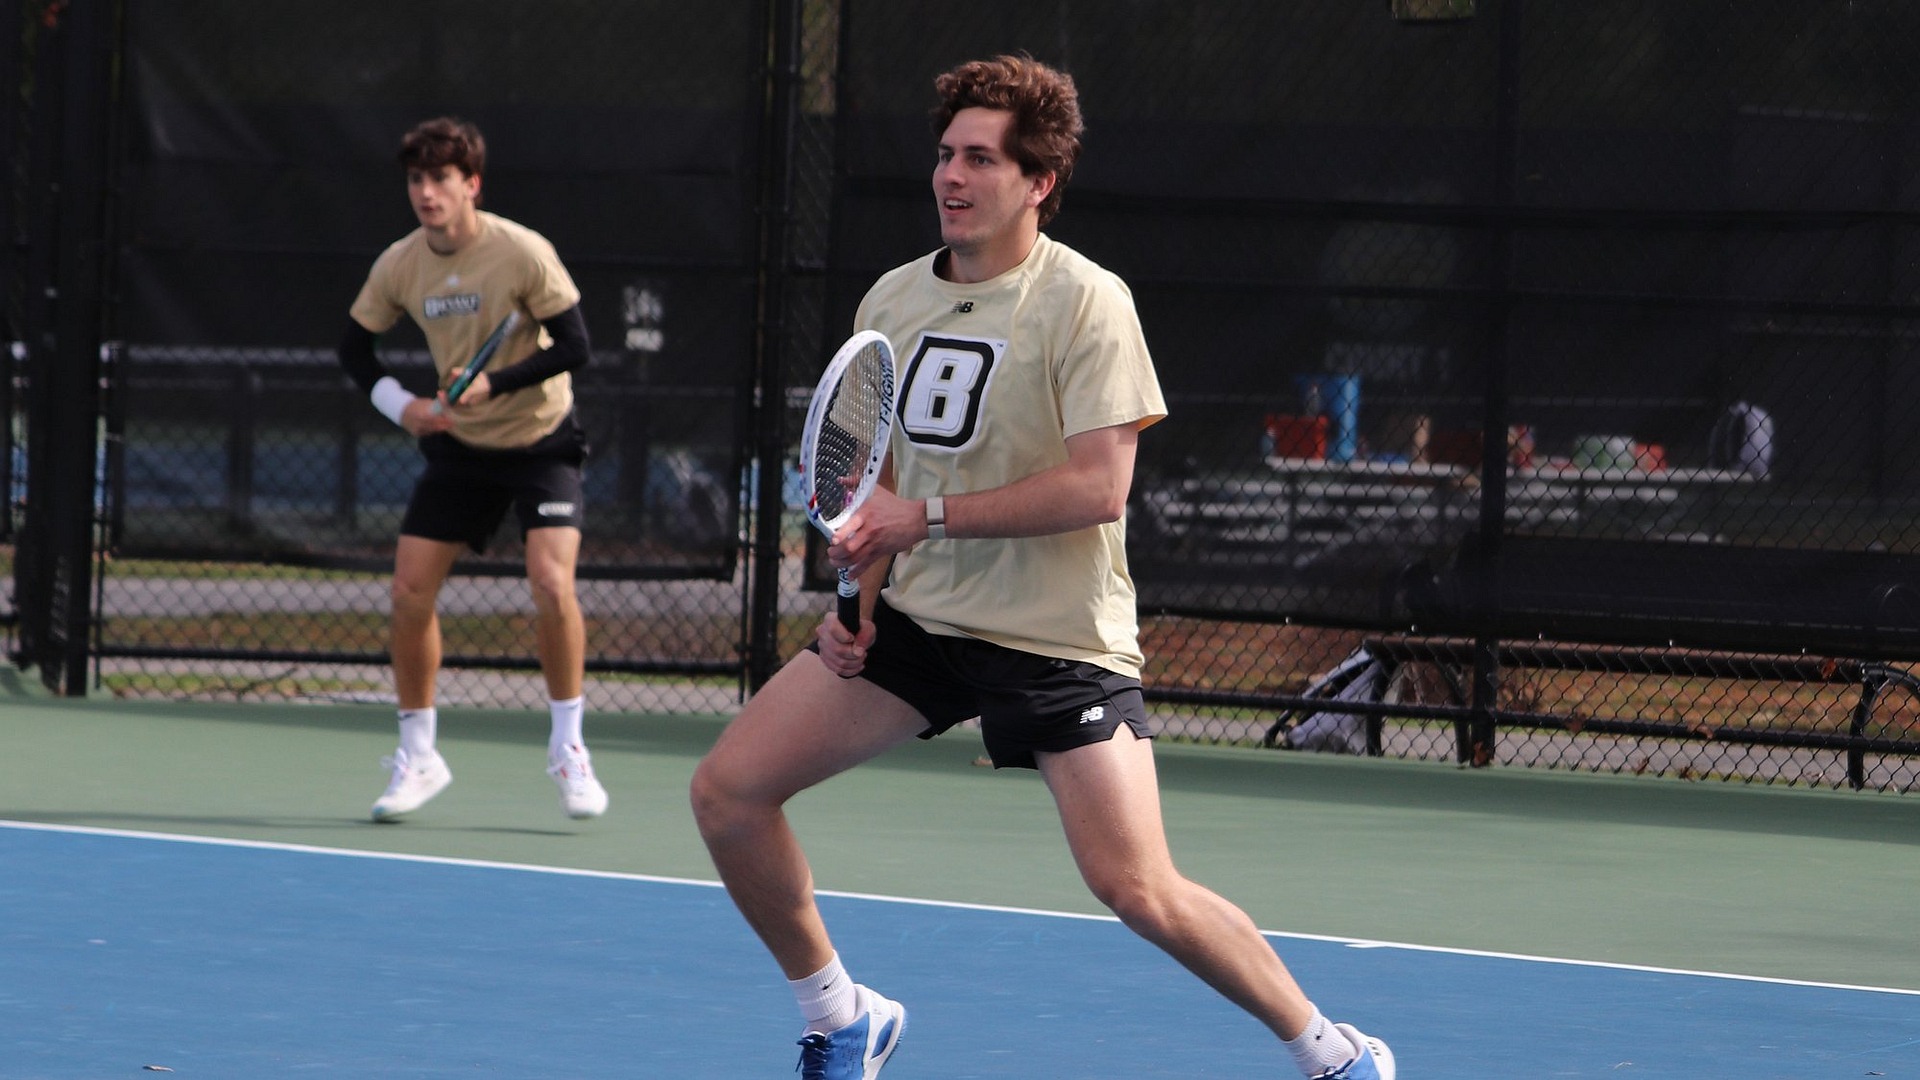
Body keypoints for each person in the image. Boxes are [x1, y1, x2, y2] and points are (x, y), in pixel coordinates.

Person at [689, 56, 1393, 1079]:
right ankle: (841, 1017)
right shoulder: (893, 297)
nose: (952, 175)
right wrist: (860, 603)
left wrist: (920, 520)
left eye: (982, 158)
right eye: (946, 154)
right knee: (728, 794)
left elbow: (1099, 488)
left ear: (1039, 182)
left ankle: (1334, 1054)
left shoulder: (1086, 302)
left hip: (1057, 640)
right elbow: (882, 472)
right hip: (922, 628)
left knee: (1136, 887)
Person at [337, 117, 608, 823]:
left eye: (440, 179)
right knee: (408, 590)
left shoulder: (522, 252)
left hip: (541, 441)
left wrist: (497, 383)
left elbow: (576, 346)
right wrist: (404, 407)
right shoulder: (400, 265)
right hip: (460, 449)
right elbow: (354, 350)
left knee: (551, 583)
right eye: (416, 180)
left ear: (471, 186)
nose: (426, 193)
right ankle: (419, 755)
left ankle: (569, 749)